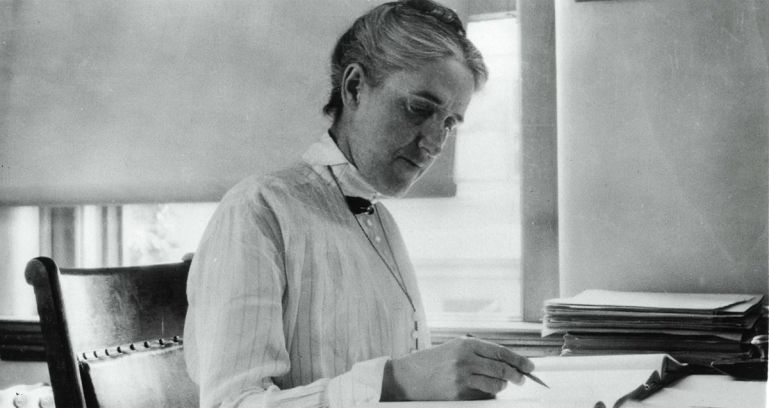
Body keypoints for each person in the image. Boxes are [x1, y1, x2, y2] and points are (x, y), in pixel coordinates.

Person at [183, 1, 535, 407]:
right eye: (419, 108)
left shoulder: (381, 221)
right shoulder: (258, 210)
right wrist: (395, 381)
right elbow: (230, 403)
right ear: (354, 88)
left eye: (449, 123)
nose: (435, 144)